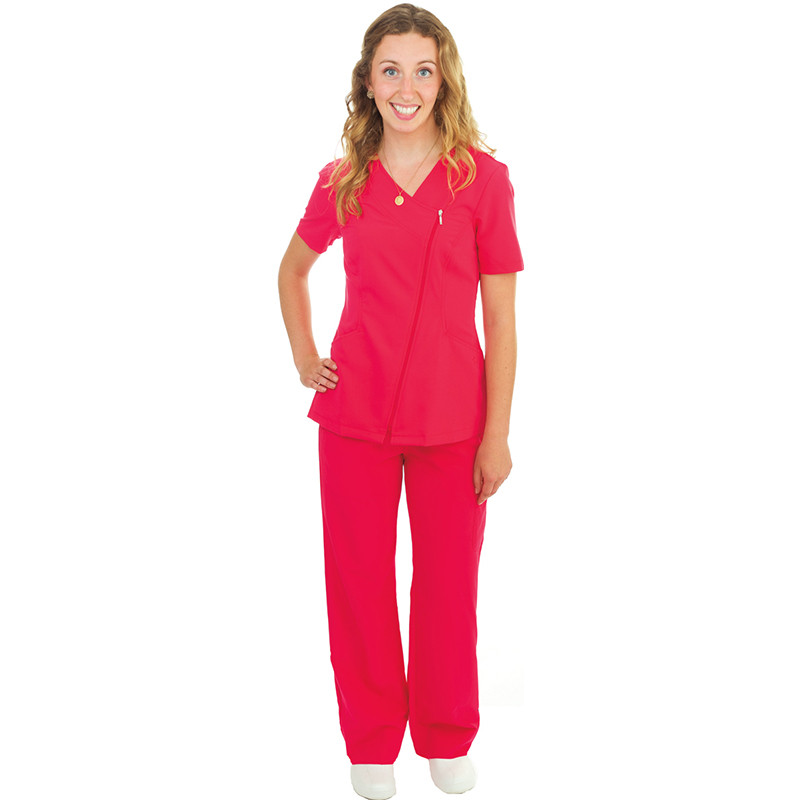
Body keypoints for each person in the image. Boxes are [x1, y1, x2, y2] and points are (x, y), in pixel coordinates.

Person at [278, 4, 524, 798]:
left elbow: (501, 318)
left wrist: (498, 434)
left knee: (448, 586)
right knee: (358, 584)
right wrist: (307, 357)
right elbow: (292, 270)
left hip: (455, 423)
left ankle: (446, 737)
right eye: (391, 70)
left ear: (444, 79)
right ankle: (371, 743)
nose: (407, 86)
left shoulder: (483, 181)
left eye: (423, 69)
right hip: (355, 417)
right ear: (369, 82)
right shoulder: (343, 180)